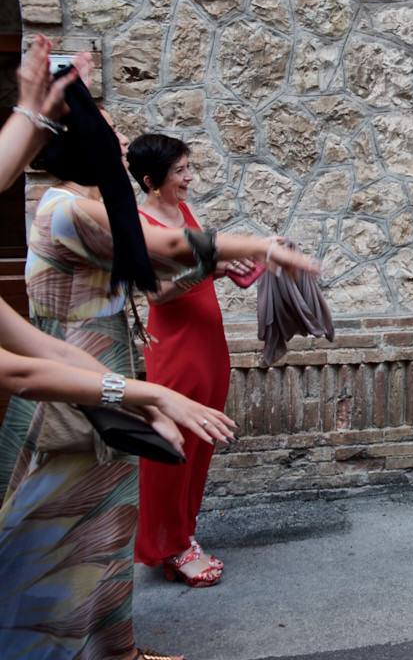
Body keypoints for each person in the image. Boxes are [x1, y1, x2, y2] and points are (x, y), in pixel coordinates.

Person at [0, 53, 318, 660]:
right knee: (56, 535)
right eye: (110, 131)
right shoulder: (65, 209)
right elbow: (165, 248)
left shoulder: (80, 207)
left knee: (105, 526)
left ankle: (116, 649)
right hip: (76, 395)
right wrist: (261, 246)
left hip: (98, 377)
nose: (122, 141)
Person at [127, 134, 248, 586]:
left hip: (209, 344)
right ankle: (170, 546)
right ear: (150, 181)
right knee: (171, 448)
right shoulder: (140, 222)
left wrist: (225, 268)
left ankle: (183, 534)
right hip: (175, 348)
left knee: (200, 447)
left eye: (187, 167)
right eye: (179, 171)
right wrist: (208, 268)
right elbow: (155, 293)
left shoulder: (179, 211)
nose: (189, 177)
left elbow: (201, 264)